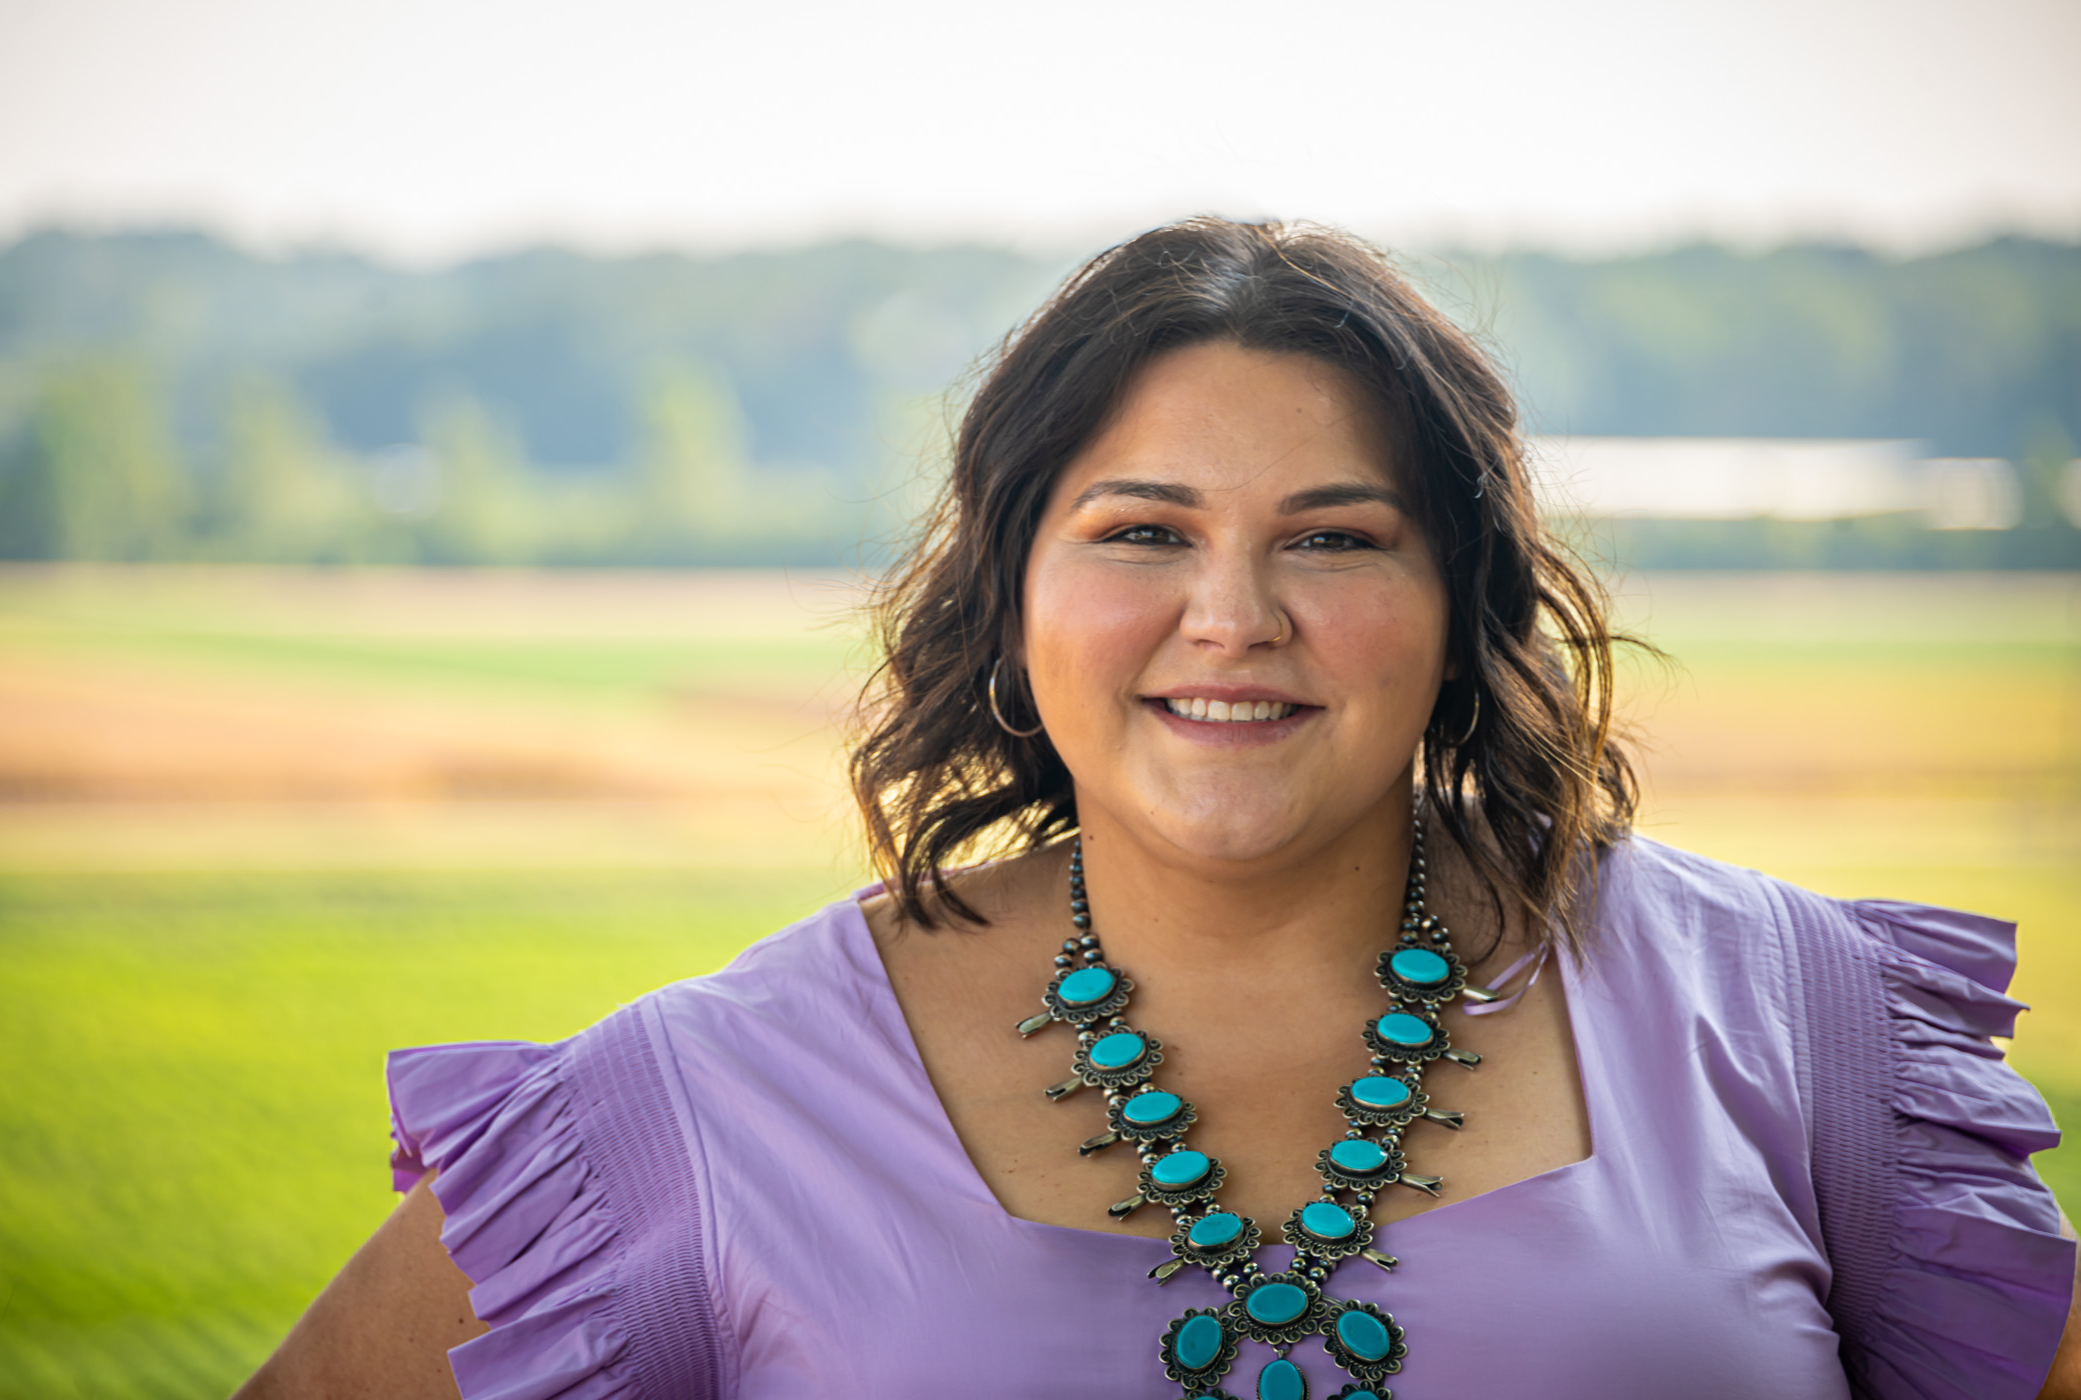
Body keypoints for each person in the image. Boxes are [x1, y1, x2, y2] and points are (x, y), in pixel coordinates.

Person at [237, 218, 2078, 1400]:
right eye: (1143, 532)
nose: (1235, 618)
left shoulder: (1803, 1030)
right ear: (1007, 595)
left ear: (1463, 602)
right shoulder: (690, 1115)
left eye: (1335, 538)